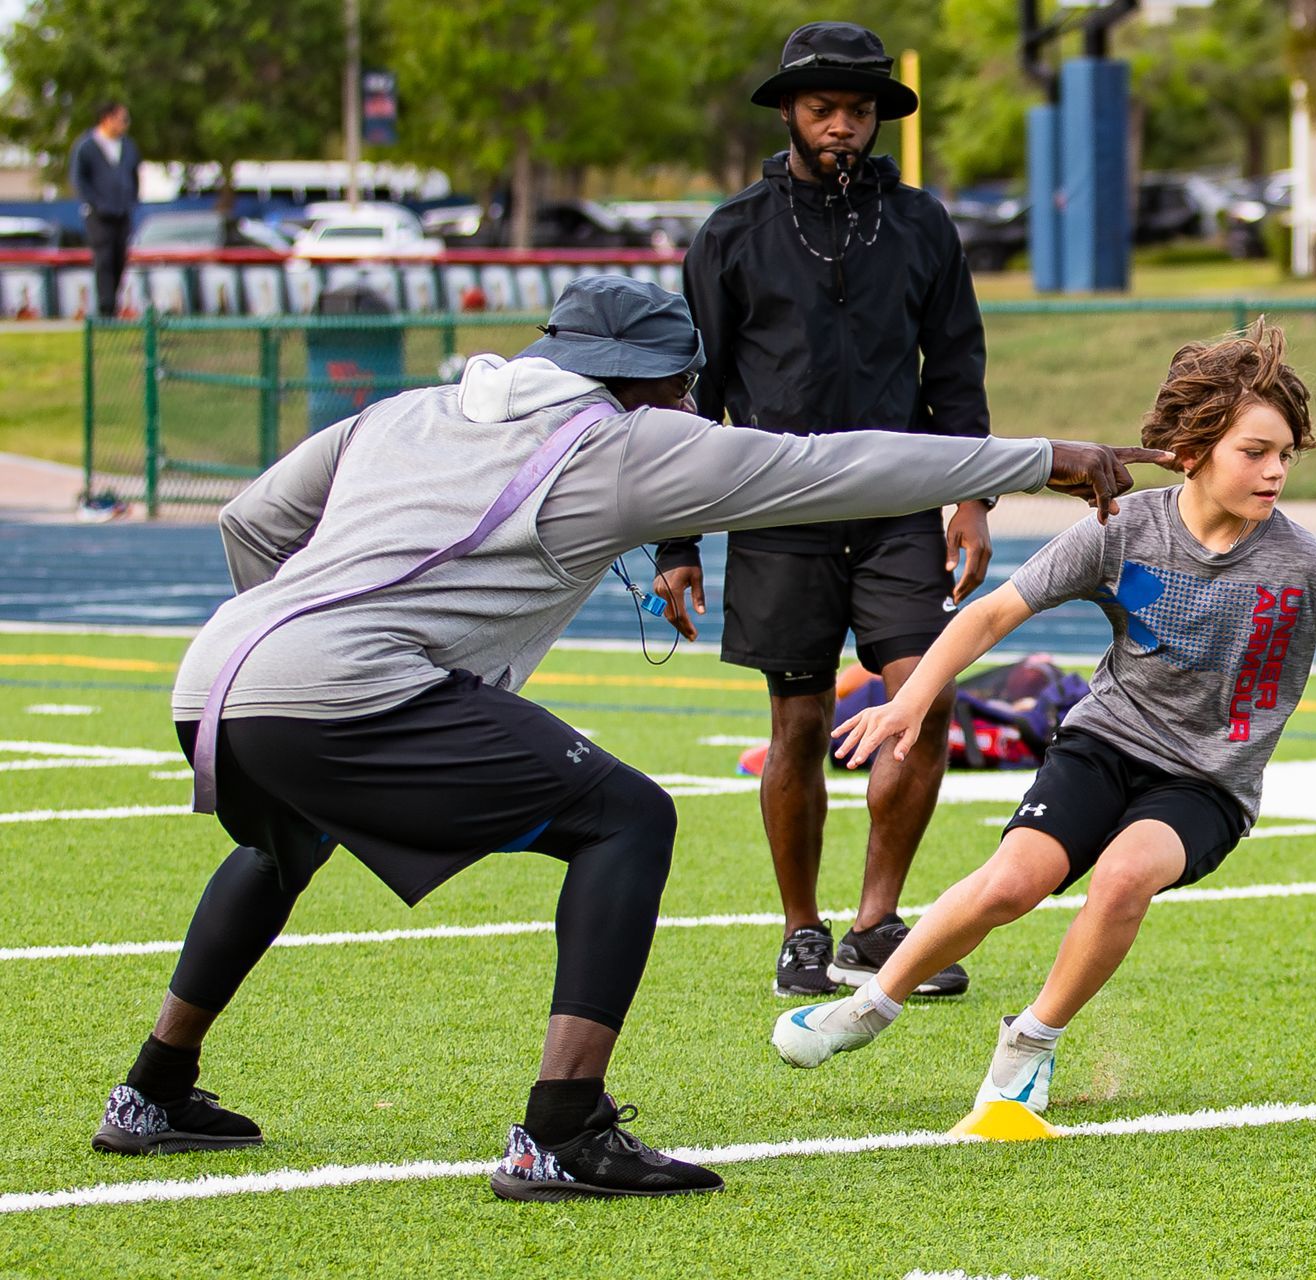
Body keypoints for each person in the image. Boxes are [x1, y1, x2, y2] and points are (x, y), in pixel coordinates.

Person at [88, 274, 1167, 1201]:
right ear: (641, 380)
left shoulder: (409, 411)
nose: (690, 401)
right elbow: (829, 468)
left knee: (284, 845)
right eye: (682, 383)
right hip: (340, 682)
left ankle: (152, 1089)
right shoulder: (625, 442)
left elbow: (252, 521)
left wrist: (292, 657)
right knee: (628, 817)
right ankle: (562, 1129)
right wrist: (1040, 458)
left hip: (219, 672)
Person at [770, 321, 1316, 1110]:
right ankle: (868, 1006)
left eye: (1286, 454)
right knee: (1012, 885)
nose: (1275, 472)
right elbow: (991, 617)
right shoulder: (1122, 530)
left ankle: (1030, 1045)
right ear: (1192, 451)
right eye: (1253, 452)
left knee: (1124, 877)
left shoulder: (1305, 564)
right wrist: (910, 701)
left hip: (1208, 782)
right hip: (1105, 743)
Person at [654, 22, 996, 1001]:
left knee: (923, 702)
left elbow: (957, 372)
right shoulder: (731, 235)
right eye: (823, 109)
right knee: (797, 718)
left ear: (880, 115)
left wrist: (970, 495)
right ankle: (802, 929)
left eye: (858, 110)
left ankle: (876, 923)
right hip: (777, 510)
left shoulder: (925, 225)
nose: (842, 126)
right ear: (791, 116)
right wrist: (679, 539)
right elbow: (695, 395)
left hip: (898, 505)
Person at [68, 100, 140, 317]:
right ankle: (105, 309)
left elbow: (134, 175)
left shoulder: (127, 146)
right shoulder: (87, 146)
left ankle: (113, 304)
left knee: (119, 259)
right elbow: (79, 179)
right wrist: (95, 203)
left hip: (122, 212)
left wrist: (131, 201)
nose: (125, 124)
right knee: (104, 258)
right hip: (99, 215)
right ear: (107, 119)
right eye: (122, 119)